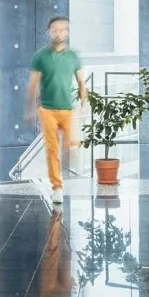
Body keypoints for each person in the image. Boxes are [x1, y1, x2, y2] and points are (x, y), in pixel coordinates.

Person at [26, 15, 85, 197]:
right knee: (52, 149)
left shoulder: (73, 56)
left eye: (63, 29)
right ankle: (57, 187)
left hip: (68, 109)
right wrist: (30, 109)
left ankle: (68, 176)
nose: (59, 33)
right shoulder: (40, 56)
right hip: (47, 110)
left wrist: (84, 103)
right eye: (55, 30)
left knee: (72, 145)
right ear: (49, 32)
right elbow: (33, 84)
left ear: (67, 32)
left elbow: (81, 82)